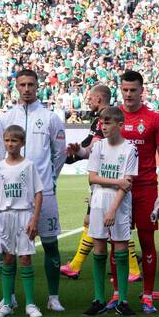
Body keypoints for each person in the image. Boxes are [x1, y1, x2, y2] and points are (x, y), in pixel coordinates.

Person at [0, 69, 66, 312]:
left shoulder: (50, 118)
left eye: (31, 84)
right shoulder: (5, 118)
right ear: (16, 86)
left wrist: (48, 180)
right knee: (9, 247)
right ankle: (10, 298)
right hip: (13, 197)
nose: (27, 89)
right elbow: (0, 156)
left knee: (49, 243)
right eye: (22, 84)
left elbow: (60, 153)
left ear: (38, 86)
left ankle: (53, 297)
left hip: (43, 194)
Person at [62, 84, 143, 283]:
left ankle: (130, 267)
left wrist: (76, 154)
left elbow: (92, 149)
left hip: (110, 185)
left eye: (90, 98)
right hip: (103, 184)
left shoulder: (103, 122)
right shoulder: (101, 121)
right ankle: (77, 265)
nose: (88, 101)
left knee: (107, 226)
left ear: (99, 98)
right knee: (95, 224)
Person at [112, 70, 159, 314]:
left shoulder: (155, 119)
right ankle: (117, 294)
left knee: (147, 241)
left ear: (141, 90)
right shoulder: (112, 117)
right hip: (118, 189)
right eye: (125, 89)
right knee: (117, 243)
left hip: (146, 188)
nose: (128, 94)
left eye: (133, 90)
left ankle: (147, 295)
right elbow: (98, 149)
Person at [84, 105, 138, 317]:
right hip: (98, 200)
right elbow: (92, 177)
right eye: (101, 122)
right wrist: (117, 181)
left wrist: (113, 210)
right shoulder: (98, 147)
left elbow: (128, 185)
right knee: (98, 248)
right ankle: (98, 299)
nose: (103, 126)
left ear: (120, 125)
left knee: (121, 249)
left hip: (120, 204)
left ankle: (122, 300)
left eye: (107, 122)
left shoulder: (129, 149)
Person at [0, 125, 43, 317]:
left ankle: (30, 304)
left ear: (22, 143)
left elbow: (38, 193)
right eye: (8, 140)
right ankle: (8, 303)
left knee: (25, 258)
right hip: (5, 216)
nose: (10, 144)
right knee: (7, 258)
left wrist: (35, 219)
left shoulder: (28, 165)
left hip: (24, 215)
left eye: (14, 141)